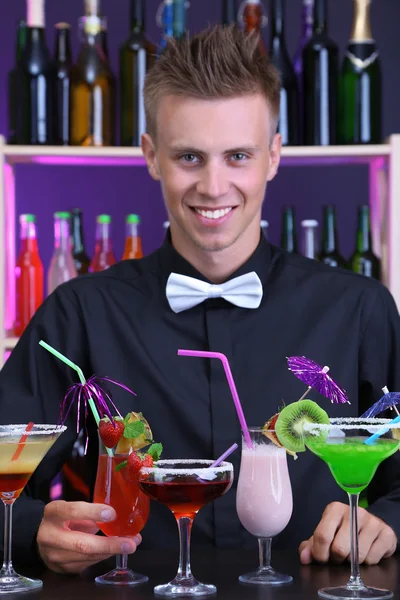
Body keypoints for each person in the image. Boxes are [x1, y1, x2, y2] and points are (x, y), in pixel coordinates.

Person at [1, 25, 400, 575]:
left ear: (274, 156)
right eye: (189, 157)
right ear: (151, 156)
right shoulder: (78, 314)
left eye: (238, 155)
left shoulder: (360, 310)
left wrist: (388, 522)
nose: (213, 186)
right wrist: (29, 529)